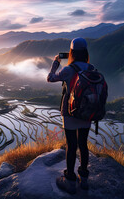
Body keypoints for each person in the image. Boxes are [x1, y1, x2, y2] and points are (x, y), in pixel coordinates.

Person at [47, 37, 91, 194]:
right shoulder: (91, 68)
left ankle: (71, 180)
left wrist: (56, 62)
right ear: (85, 52)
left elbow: (50, 78)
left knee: (71, 146)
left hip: (70, 112)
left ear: (71, 52)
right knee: (83, 145)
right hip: (87, 112)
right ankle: (84, 180)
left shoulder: (68, 70)